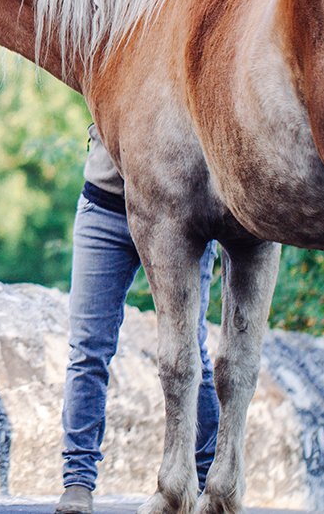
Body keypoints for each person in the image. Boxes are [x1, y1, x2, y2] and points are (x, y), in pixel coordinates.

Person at [55, 125, 219, 514]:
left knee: (191, 348)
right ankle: (77, 482)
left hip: (180, 212)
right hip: (106, 206)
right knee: (87, 349)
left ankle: (205, 476)